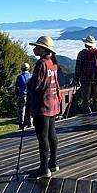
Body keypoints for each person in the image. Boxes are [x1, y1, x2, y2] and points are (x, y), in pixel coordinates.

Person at [26, 36, 62, 180]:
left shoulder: (42, 63)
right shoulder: (53, 63)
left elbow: (36, 85)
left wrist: (27, 84)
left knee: (42, 137)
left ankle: (44, 169)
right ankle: (53, 163)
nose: (34, 49)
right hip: (53, 104)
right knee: (51, 134)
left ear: (43, 49)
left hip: (42, 105)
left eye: (37, 47)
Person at [75, 35, 97, 114]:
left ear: (85, 44)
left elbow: (78, 67)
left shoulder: (82, 54)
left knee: (85, 99)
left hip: (85, 79)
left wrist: (77, 78)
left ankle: (87, 114)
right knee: (96, 98)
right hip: (96, 79)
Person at [15, 62, 32, 129]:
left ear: (21, 69)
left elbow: (17, 86)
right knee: (30, 109)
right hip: (30, 95)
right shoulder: (31, 76)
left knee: (21, 110)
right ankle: (30, 123)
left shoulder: (19, 77)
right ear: (28, 68)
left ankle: (21, 125)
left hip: (22, 95)